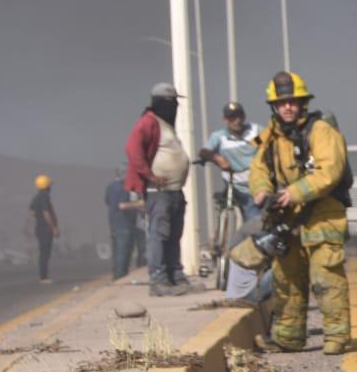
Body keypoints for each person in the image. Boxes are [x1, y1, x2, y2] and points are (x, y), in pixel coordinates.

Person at [247, 70, 352, 355]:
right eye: (282, 103)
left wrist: (293, 193)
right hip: (287, 219)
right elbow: (258, 169)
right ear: (274, 107)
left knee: (325, 277)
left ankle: (337, 337)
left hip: (323, 216)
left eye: (293, 101)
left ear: (303, 102)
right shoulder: (270, 137)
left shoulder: (321, 131)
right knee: (286, 278)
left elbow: (329, 172)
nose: (288, 107)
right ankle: (288, 338)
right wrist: (261, 191)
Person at [125, 82, 193, 296]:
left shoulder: (165, 124)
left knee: (174, 234)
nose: (175, 107)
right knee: (160, 234)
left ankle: (175, 275)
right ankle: (159, 279)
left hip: (174, 191)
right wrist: (151, 176)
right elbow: (133, 150)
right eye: (172, 103)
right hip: (159, 193)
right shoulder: (148, 123)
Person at [200, 102, 263, 221]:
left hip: (259, 183)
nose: (236, 121)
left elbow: (266, 144)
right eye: (232, 117)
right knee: (253, 216)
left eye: (239, 116)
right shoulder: (220, 137)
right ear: (225, 120)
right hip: (238, 186)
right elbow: (204, 151)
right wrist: (218, 158)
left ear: (244, 117)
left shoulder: (254, 131)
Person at [104, 168, 145, 280]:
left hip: (114, 224)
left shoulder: (110, 187)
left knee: (117, 254)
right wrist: (140, 203)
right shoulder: (124, 187)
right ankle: (120, 278)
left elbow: (108, 202)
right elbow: (122, 205)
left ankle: (116, 277)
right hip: (125, 225)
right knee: (123, 254)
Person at [28, 175, 60, 283]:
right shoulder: (44, 197)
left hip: (39, 228)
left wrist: (31, 227)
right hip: (45, 229)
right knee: (45, 253)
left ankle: (43, 276)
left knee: (43, 252)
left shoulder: (36, 198)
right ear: (46, 186)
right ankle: (44, 277)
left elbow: (32, 213)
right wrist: (53, 228)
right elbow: (46, 213)